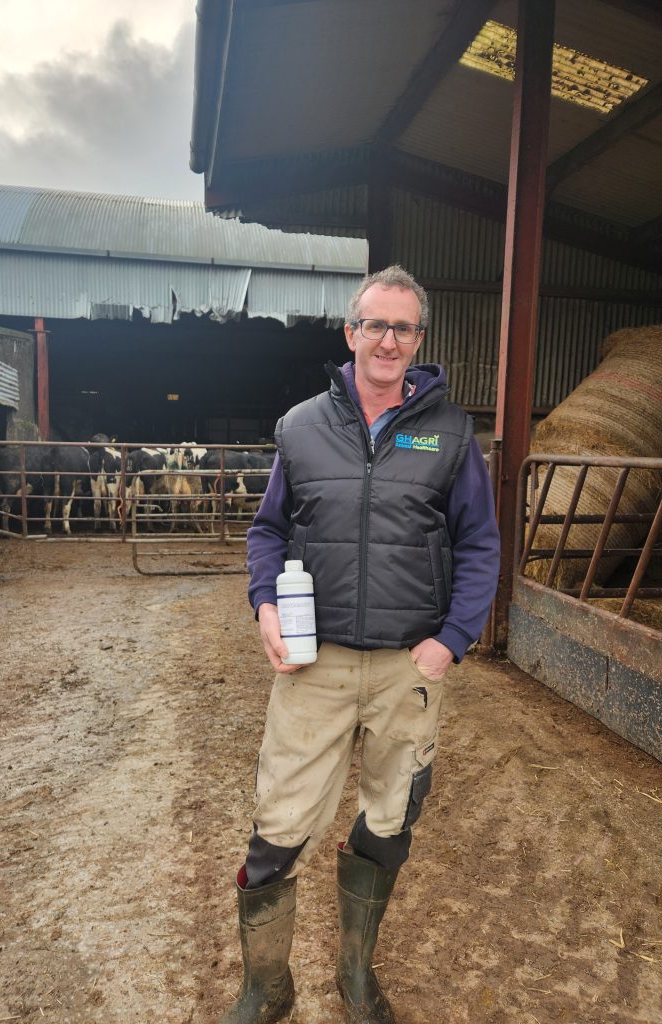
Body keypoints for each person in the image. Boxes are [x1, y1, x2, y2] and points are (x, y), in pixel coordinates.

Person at [218, 265, 500, 1024]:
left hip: (409, 665)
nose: (388, 339)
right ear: (350, 333)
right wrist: (265, 606)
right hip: (316, 660)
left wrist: (451, 640)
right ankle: (265, 989)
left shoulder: (449, 432)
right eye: (374, 324)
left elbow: (479, 544)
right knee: (279, 824)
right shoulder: (303, 425)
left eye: (403, 328)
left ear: (418, 341)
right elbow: (269, 530)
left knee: (387, 819)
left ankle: (355, 975)